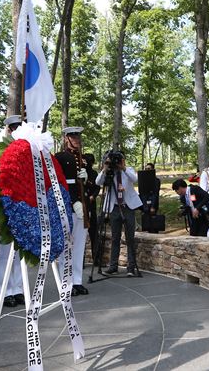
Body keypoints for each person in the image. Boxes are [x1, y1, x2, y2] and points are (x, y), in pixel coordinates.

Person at [55, 127, 90, 296]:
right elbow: (58, 183)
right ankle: (65, 282)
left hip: (82, 207)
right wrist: (72, 201)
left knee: (79, 246)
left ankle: (77, 281)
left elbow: (90, 184)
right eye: (72, 136)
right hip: (68, 205)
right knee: (66, 246)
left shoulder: (84, 158)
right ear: (66, 138)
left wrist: (87, 178)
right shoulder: (60, 157)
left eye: (78, 136)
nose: (76, 139)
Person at [96, 150, 142, 276]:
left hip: (128, 207)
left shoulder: (129, 170)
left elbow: (135, 178)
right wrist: (105, 169)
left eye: (119, 160)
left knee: (130, 238)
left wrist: (123, 168)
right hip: (115, 207)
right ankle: (113, 266)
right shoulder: (109, 173)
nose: (117, 163)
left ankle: (131, 267)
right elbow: (98, 182)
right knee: (115, 237)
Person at [0, 115, 25, 307]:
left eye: (19, 128)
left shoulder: (27, 150)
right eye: (13, 128)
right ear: (8, 130)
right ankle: (5, 290)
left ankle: (19, 289)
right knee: (6, 252)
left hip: (23, 205)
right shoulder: (0, 150)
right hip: (7, 204)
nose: (15, 131)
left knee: (20, 251)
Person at [83, 153, 101, 265]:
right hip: (82, 206)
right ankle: (81, 260)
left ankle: (96, 258)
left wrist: (93, 196)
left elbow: (97, 187)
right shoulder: (80, 172)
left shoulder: (94, 173)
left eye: (88, 161)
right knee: (81, 234)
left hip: (91, 205)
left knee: (94, 232)